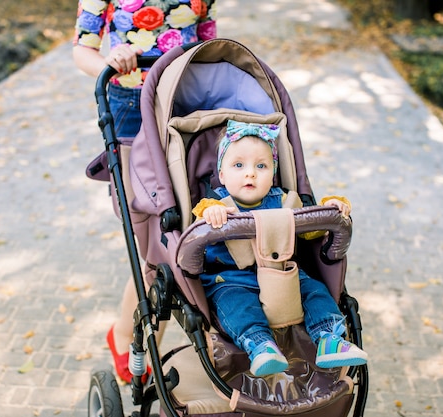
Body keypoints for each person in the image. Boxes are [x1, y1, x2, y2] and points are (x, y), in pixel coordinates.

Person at [72, 0, 217, 383]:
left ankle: (163, 341)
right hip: (129, 105)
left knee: (188, 228)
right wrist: (110, 61)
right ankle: (129, 338)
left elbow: (207, 41)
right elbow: (81, 50)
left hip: (187, 104)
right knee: (154, 243)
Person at [192, 120, 368, 376]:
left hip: (284, 273)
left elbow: (311, 230)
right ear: (221, 174)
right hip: (231, 279)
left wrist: (330, 210)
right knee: (235, 304)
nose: (250, 173)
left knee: (315, 291)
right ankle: (260, 345)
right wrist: (211, 214)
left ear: (273, 172)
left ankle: (328, 337)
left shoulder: (285, 200)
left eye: (260, 166)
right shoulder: (215, 204)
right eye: (238, 165)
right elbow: (196, 226)